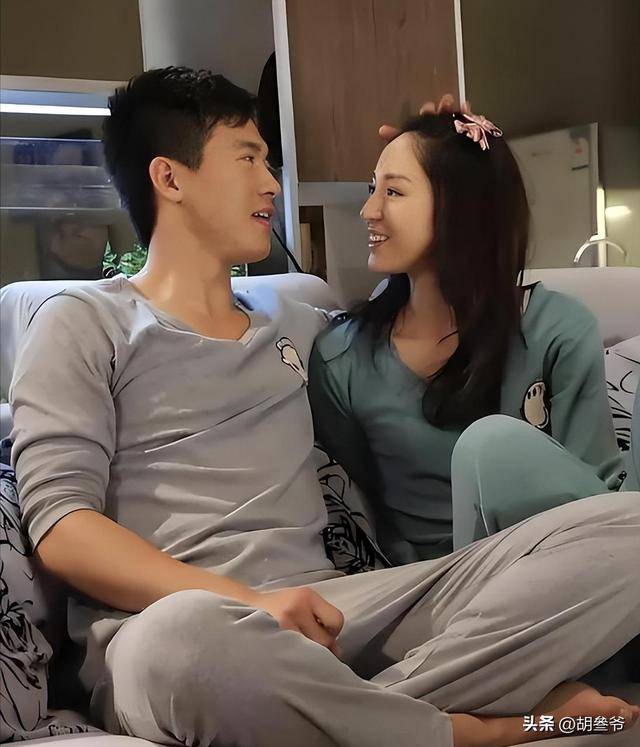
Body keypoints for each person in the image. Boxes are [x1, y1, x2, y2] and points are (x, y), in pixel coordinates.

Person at [9, 67, 640, 747]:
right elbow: (63, 528)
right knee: (187, 645)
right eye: (248, 158)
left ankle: (356, 712)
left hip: (335, 612)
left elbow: (431, 341)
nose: (271, 184)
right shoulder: (81, 321)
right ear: (170, 177)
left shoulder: (306, 332)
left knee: (628, 527)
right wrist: (250, 603)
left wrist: (456, 156)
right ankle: (459, 728)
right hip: (170, 623)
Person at [308, 99, 634, 564]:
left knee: (494, 448)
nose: (368, 210)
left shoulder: (557, 328)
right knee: (489, 446)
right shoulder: (343, 356)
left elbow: (597, 499)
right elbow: (364, 508)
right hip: (447, 584)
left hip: (575, 559)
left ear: (461, 206)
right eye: (372, 188)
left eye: (393, 191)